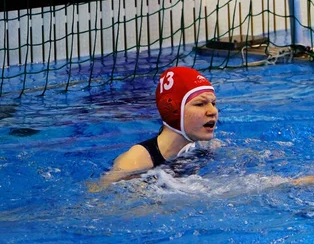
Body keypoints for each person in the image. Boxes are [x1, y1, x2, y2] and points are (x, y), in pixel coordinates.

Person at [90, 66, 218, 191]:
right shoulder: (135, 161)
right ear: (173, 110)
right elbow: (96, 193)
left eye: (213, 103)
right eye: (200, 104)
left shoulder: (205, 146)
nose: (212, 111)